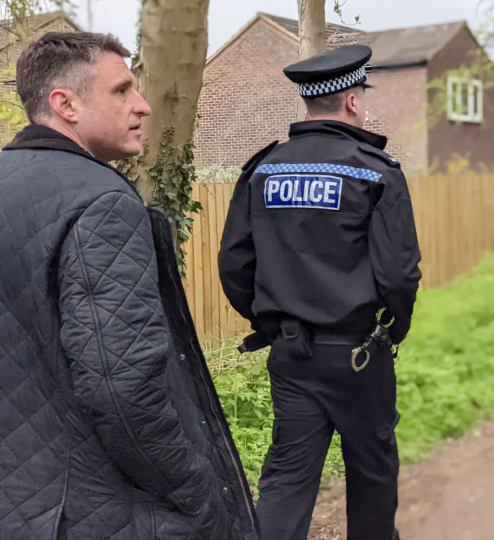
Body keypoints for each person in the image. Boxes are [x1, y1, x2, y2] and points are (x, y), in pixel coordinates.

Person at [0, 33, 257, 540]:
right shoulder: (101, 203)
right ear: (64, 104)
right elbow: (123, 388)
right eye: (121, 91)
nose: (142, 106)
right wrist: (194, 489)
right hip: (96, 510)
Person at [218, 44, 421, 540]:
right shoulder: (375, 171)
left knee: (287, 478)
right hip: (358, 354)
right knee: (371, 474)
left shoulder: (263, 169)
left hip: (290, 355)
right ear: (352, 100)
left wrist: (271, 322)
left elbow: (234, 262)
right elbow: (398, 274)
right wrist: (392, 330)